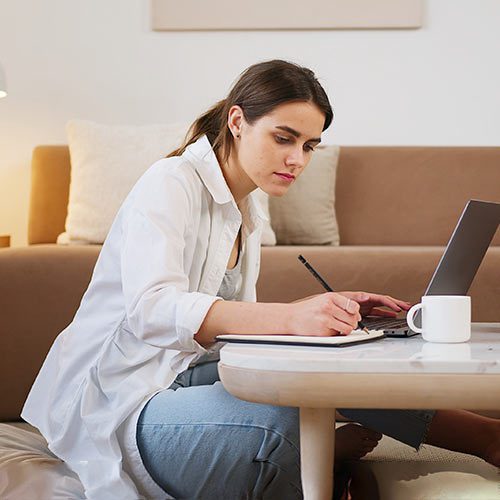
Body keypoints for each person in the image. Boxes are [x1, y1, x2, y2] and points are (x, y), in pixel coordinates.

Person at [22, 60, 500, 500]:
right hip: (121, 396)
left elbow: (227, 335)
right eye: (284, 138)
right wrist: (292, 318)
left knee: (338, 366)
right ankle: (325, 457)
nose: (298, 159)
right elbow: (152, 310)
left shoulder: (246, 207)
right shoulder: (170, 182)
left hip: (180, 374)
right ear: (236, 122)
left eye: (309, 145)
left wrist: (327, 316)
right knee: (284, 422)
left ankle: (487, 437)